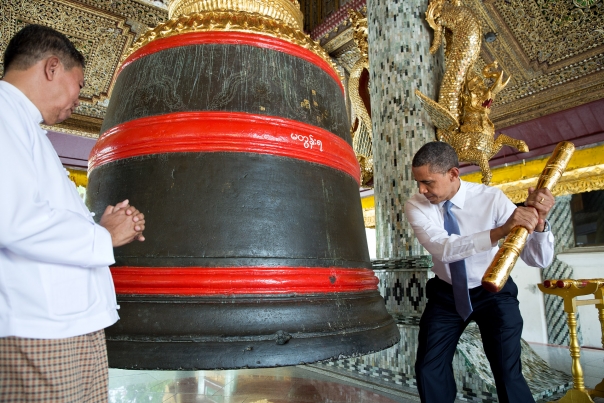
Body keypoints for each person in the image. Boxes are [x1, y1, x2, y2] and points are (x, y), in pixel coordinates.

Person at [0, 24, 146, 402]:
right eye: (79, 84)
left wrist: (103, 227)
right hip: (39, 327)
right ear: (52, 68)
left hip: (65, 323)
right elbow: (11, 220)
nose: (79, 99)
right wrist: (103, 237)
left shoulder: (25, 127)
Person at [405, 141, 554, 403]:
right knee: (429, 368)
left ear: (453, 174)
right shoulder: (416, 205)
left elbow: (537, 259)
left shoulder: (492, 199)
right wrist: (500, 231)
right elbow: (444, 248)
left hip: (493, 292)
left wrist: (539, 225)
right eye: (418, 182)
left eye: (428, 182)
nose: (421, 189)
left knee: (507, 372)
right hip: (447, 296)